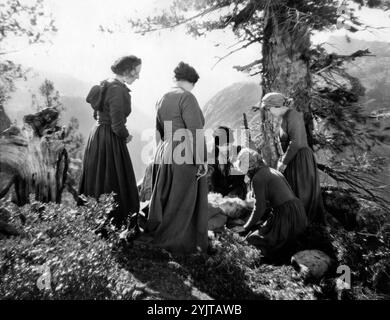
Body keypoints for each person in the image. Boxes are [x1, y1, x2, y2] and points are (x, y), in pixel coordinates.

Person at [144, 62, 208, 254]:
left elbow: (158, 130)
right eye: (193, 84)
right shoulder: (187, 97)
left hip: (165, 149)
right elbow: (195, 131)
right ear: (190, 82)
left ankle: (161, 233)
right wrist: (202, 160)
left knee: (168, 194)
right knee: (184, 195)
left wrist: (158, 155)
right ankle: (179, 240)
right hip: (184, 148)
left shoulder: (162, 97)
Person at [79, 55, 141, 228]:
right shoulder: (117, 89)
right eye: (136, 72)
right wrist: (125, 135)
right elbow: (117, 124)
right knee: (114, 181)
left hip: (97, 135)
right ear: (128, 71)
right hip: (109, 139)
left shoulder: (106, 83)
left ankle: (95, 221)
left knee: (98, 178)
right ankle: (116, 225)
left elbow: (97, 112)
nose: (138, 77)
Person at [261, 92, 325, 224]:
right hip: (295, 159)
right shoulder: (285, 117)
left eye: (269, 108)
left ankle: (305, 224)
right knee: (297, 192)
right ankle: (298, 223)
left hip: (301, 160)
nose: (269, 112)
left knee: (303, 193)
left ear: (276, 105)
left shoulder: (293, 116)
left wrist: (283, 162)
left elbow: (296, 142)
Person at [234, 148, 308, 258]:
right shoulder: (272, 171)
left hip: (286, 216)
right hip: (299, 213)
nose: (246, 174)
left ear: (250, 167)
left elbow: (259, 207)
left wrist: (245, 227)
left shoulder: (258, 178)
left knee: (252, 240)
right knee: (262, 227)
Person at [207, 126, 247, 200]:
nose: (227, 148)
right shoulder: (213, 157)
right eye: (223, 145)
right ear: (217, 145)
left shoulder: (239, 152)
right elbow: (212, 181)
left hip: (237, 191)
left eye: (228, 144)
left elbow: (242, 180)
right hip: (219, 192)